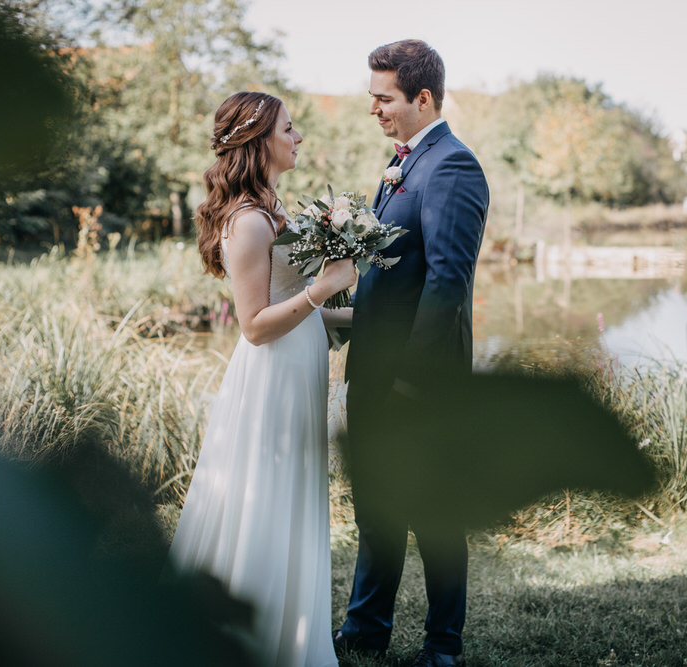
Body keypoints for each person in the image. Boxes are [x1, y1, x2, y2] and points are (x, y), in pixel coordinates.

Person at [167, 91, 356, 667]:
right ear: (258, 143)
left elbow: (293, 311)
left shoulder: (275, 208)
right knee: (267, 501)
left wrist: (362, 317)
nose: (299, 139)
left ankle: (290, 634)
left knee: (293, 497)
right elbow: (254, 326)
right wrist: (323, 287)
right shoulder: (247, 221)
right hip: (270, 378)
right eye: (290, 129)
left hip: (298, 368)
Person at [335, 40, 489, 667]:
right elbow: (391, 278)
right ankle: (366, 629)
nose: (373, 109)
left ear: (422, 98)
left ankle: (443, 646)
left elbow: (446, 282)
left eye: (383, 98)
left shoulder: (452, 166)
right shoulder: (404, 163)